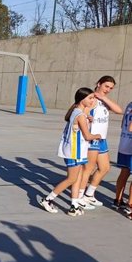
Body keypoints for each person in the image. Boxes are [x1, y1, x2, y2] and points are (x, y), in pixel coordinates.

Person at [38, 87, 101, 216]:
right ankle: (47, 199)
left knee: (76, 178)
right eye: (90, 98)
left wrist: (87, 118)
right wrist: (98, 135)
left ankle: (74, 205)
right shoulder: (80, 115)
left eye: (93, 97)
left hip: (76, 150)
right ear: (82, 99)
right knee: (71, 179)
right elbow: (88, 136)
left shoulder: (77, 112)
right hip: (74, 151)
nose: (92, 100)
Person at [78, 76, 123, 208]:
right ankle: (80, 197)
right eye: (106, 86)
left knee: (105, 168)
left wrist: (104, 98)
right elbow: (81, 113)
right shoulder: (91, 99)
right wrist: (87, 118)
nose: (108, 89)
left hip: (102, 139)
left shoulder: (103, 100)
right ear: (99, 84)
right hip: (92, 139)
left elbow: (119, 110)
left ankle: (89, 194)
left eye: (110, 88)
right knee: (88, 169)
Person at [113, 101, 132, 217]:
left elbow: (123, 125)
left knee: (124, 172)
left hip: (125, 143)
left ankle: (118, 200)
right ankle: (130, 205)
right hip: (130, 145)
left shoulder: (130, 104)